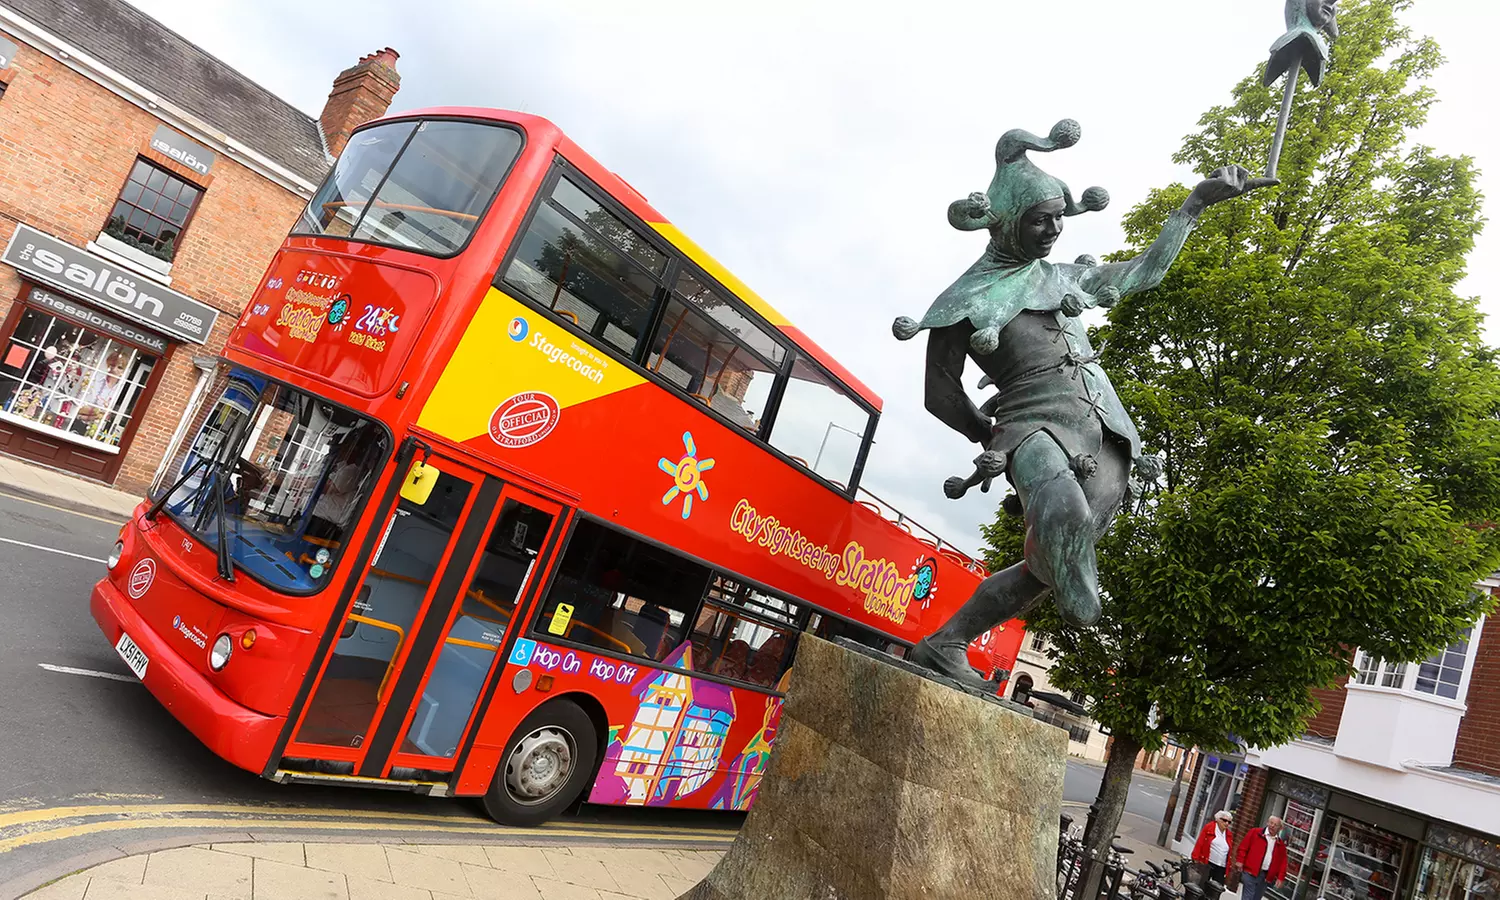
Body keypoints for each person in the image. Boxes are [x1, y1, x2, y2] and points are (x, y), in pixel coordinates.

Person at [894, 120, 1275, 686]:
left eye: (1058, 218)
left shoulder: (1063, 277)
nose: (1052, 230)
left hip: (1106, 434)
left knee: (1044, 567)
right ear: (1005, 221)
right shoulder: (963, 301)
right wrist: (985, 432)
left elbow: (1144, 273)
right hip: (1028, 429)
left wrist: (1193, 205)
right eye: (1039, 219)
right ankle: (1074, 567)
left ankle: (946, 643)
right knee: (1060, 512)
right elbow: (940, 394)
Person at [1235, 815, 1289, 900]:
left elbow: (1283, 862)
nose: (1272, 826)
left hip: (1265, 876)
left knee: (1256, 898)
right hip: (1250, 871)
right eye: (1271, 823)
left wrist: (1280, 877)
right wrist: (1240, 860)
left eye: (1275, 825)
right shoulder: (1255, 832)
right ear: (1267, 823)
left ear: (1280, 828)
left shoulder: (1280, 844)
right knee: (1248, 896)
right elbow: (1243, 847)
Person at [1191, 810, 1236, 897]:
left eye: (1229, 822)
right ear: (1218, 819)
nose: (1227, 823)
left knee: (1216, 890)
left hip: (1221, 866)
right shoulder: (1209, 828)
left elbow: (1229, 852)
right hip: (1208, 862)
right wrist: (1195, 857)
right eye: (1224, 820)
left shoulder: (1229, 834)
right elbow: (1200, 843)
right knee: (1202, 886)